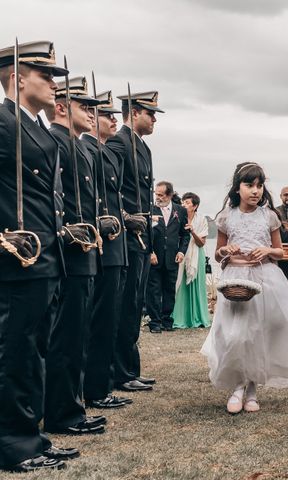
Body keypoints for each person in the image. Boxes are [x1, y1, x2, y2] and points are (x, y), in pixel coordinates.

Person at [201, 162, 288, 414]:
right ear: (237, 188)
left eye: (259, 185)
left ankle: (251, 390)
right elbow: (219, 255)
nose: (255, 190)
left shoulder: (269, 216)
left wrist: (267, 250)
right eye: (249, 185)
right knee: (234, 334)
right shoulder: (226, 216)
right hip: (235, 280)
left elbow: (280, 252)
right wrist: (224, 250)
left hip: (265, 279)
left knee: (257, 334)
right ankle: (237, 387)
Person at [0, 40, 78, 473]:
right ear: (17, 76)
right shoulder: (2, 121)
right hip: (18, 258)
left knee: (34, 351)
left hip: (46, 255)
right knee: (17, 352)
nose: (53, 84)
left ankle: (31, 436)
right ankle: (13, 444)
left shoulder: (37, 128)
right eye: (45, 75)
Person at [45, 76, 107, 435]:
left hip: (85, 250)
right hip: (68, 251)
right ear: (62, 107)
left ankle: (71, 404)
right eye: (85, 106)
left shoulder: (78, 145)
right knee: (65, 337)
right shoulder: (55, 140)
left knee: (76, 334)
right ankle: (62, 411)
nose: (92, 113)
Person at [108, 91, 164, 392]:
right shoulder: (118, 142)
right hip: (128, 234)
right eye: (151, 113)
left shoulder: (143, 147)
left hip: (143, 235)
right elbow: (112, 189)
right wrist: (126, 216)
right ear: (134, 112)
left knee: (134, 304)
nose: (155, 119)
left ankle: (130, 368)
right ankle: (120, 372)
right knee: (125, 303)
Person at [81, 90, 131, 409]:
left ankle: (103, 381)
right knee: (98, 319)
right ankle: (95, 388)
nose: (113, 119)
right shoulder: (85, 149)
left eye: (113, 114)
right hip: (102, 243)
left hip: (117, 242)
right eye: (105, 114)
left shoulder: (106, 153)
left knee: (110, 317)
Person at [146, 181, 189, 333]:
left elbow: (185, 235)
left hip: (173, 257)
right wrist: (150, 252)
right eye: (156, 194)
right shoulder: (150, 209)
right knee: (154, 290)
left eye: (160, 195)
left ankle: (166, 320)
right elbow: (145, 233)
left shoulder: (181, 211)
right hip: (154, 257)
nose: (157, 197)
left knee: (170, 289)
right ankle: (155, 322)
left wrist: (181, 251)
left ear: (169, 195)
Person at [172, 192, 211, 329]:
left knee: (197, 285)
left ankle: (197, 317)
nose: (184, 205)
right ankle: (180, 317)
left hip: (196, 254)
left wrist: (192, 231)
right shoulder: (177, 217)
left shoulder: (202, 220)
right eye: (183, 202)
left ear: (195, 206)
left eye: (187, 203)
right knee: (179, 284)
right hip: (180, 254)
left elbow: (201, 243)